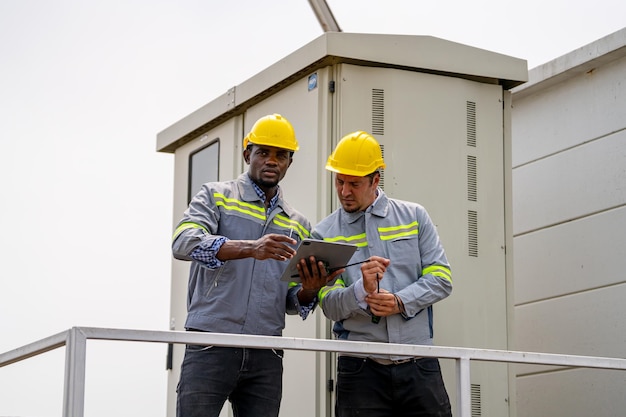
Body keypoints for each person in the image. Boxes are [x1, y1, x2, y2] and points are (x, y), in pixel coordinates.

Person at [172, 114, 327, 417]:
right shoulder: (216, 196)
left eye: (281, 155)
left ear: (289, 162)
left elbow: (293, 300)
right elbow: (182, 242)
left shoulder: (298, 225)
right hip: (210, 345)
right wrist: (248, 248)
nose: (272, 160)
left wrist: (310, 291)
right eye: (263, 152)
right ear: (247, 155)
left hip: (266, 353)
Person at [296, 131, 453, 417]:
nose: (344, 191)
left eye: (354, 183)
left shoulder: (415, 217)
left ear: (375, 180)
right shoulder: (324, 234)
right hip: (360, 370)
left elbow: (442, 278)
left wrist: (400, 302)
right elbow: (329, 305)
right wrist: (361, 292)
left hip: (419, 361)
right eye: (339, 181)